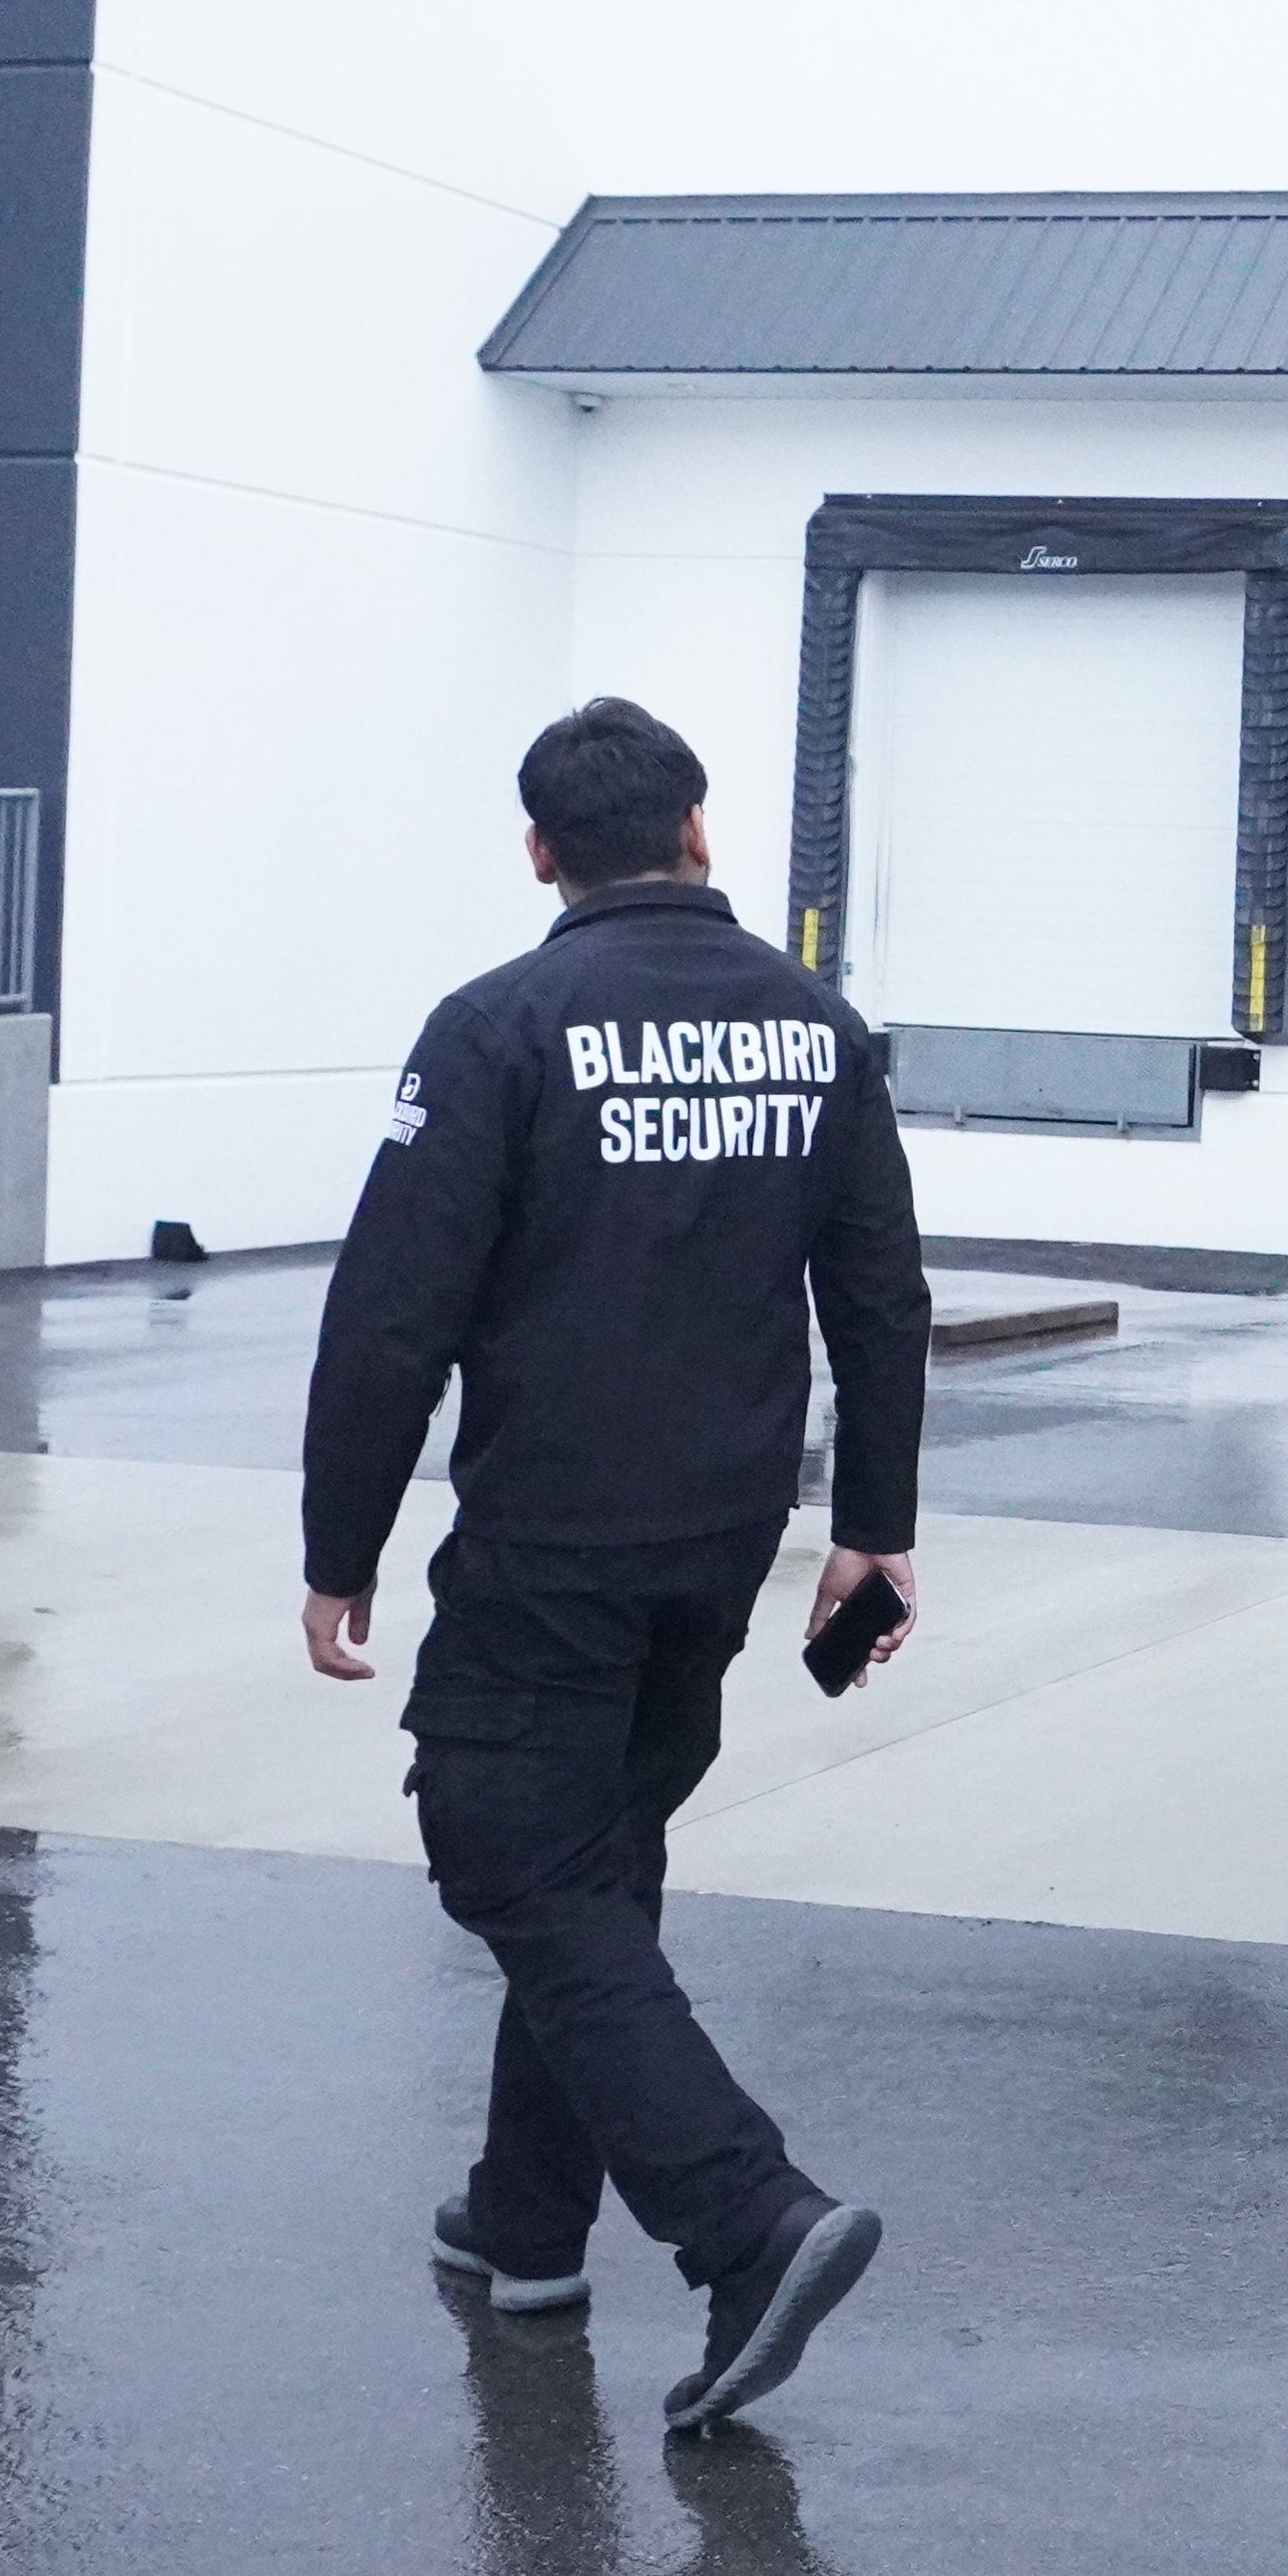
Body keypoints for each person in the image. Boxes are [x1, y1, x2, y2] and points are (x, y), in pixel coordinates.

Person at [297, 695, 937, 2435]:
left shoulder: (500, 1025)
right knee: (598, 1864)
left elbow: (392, 1314)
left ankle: (746, 2222)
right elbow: (878, 1295)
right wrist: (869, 1534)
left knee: (510, 1851)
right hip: (720, 1548)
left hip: (548, 1543)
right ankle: (527, 2222)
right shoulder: (819, 1028)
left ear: (541, 854)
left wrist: (337, 1544)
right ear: (701, 831)